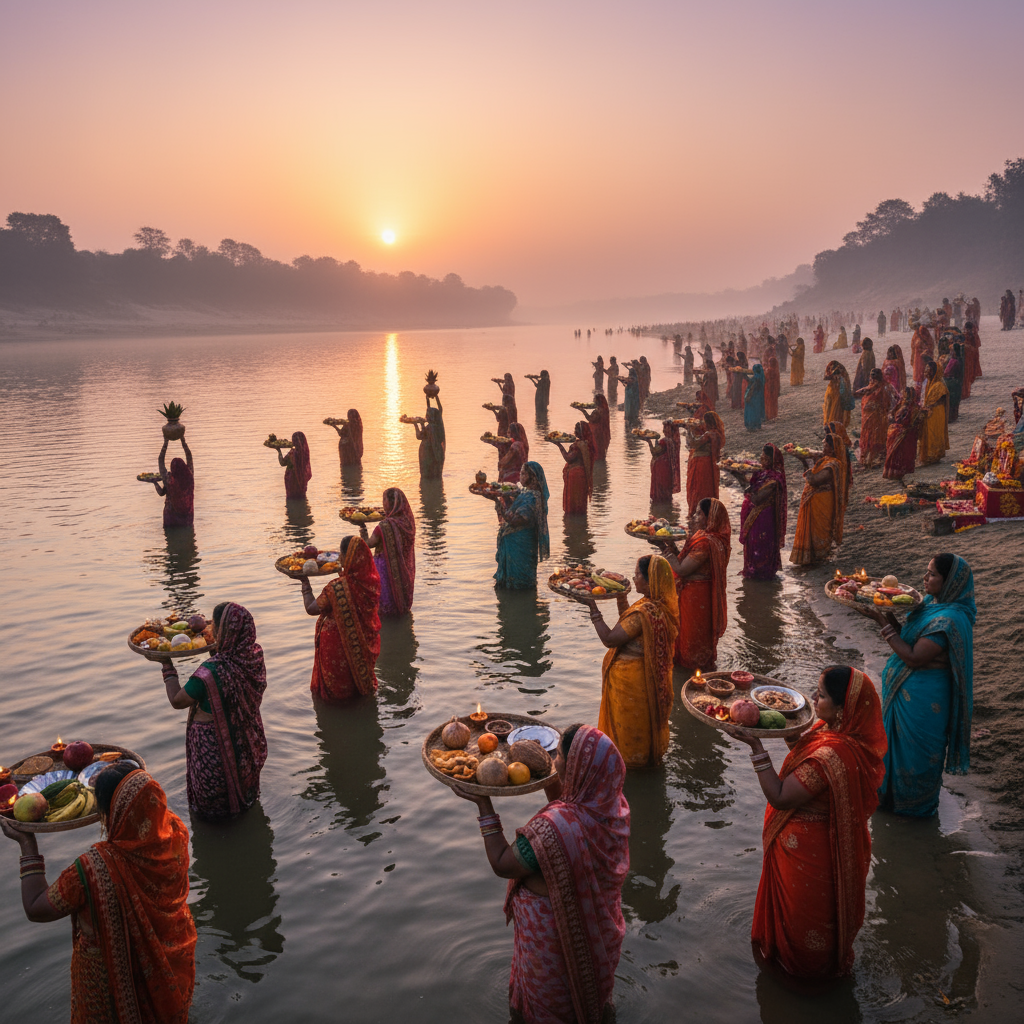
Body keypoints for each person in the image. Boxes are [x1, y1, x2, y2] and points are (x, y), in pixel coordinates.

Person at [450, 724, 628, 1023]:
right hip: (596, 935)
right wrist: (549, 774)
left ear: (576, 770)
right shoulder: (614, 809)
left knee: (550, 1009)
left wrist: (484, 804)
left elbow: (503, 864)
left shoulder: (553, 830)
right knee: (586, 1001)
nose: (555, 761)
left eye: (560, 757)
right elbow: (568, 803)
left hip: (553, 944)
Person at [2, 763, 197, 1023]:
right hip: (171, 968)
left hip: (108, 984)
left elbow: (36, 908)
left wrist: (27, 845)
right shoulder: (176, 834)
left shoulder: (94, 868)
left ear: (106, 812)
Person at [724, 667, 886, 978]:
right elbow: (810, 768)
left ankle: (804, 984)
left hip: (808, 858)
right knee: (809, 927)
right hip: (810, 849)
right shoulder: (840, 736)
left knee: (803, 930)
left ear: (843, 708)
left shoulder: (834, 753)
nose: (813, 698)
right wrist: (792, 737)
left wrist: (756, 748)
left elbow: (781, 796)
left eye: (821, 696)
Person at [857, 554, 974, 817]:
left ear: (949, 582)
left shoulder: (949, 619)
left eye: (932, 574)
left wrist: (882, 623)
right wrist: (885, 614)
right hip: (904, 695)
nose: (925, 578)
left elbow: (913, 656)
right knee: (892, 749)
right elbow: (908, 639)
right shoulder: (931, 604)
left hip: (924, 702)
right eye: (927, 571)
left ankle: (915, 814)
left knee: (917, 756)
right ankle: (889, 804)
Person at [158, 602, 268, 818]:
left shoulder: (210, 672)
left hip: (213, 745)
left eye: (215, 626)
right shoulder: (254, 657)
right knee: (241, 797)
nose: (212, 629)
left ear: (223, 631)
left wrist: (166, 665)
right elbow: (227, 666)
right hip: (243, 740)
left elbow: (177, 701)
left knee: (213, 809)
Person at [586, 556, 678, 767]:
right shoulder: (658, 605)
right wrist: (621, 599)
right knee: (641, 729)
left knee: (627, 733)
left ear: (650, 580)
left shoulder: (644, 611)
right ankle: (643, 763)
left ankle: (627, 767)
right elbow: (628, 627)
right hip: (644, 681)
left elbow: (610, 639)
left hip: (631, 685)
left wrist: (593, 608)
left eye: (637, 575)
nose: (634, 579)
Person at [299, 536, 381, 701]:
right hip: (362, 646)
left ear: (347, 557)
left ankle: (336, 711)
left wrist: (305, 582)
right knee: (356, 688)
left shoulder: (336, 588)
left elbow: (311, 608)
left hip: (336, 646)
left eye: (342, 555)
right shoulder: (372, 584)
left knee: (337, 694)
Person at [660, 497, 731, 670]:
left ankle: (693, 669)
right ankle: (695, 669)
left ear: (710, 518)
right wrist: (670, 544)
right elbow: (682, 559)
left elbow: (682, 569)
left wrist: (662, 547)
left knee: (692, 632)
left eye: (699, 514)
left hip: (697, 595)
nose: (694, 517)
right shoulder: (704, 537)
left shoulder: (706, 543)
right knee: (690, 632)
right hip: (696, 593)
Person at [490, 461, 550, 590]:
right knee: (511, 587)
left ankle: (521, 600)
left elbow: (514, 520)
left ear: (532, 476)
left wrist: (496, 501)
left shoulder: (532, 498)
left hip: (521, 545)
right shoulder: (526, 493)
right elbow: (513, 509)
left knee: (520, 585)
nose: (520, 477)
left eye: (523, 474)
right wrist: (505, 497)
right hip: (515, 544)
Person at [789, 433, 847, 565]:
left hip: (823, 500)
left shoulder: (833, 465)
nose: (823, 448)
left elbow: (814, 481)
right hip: (815, 499)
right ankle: (812, 557)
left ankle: (820, 557)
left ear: (832, 448)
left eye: (825, 445)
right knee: (813, 528)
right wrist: (803, 459)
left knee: (820, 528)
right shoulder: (825, 460)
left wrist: (806, 466)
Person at [361, 487, 416, 615]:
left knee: (384, 606)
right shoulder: (408, 524)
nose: (383, 503)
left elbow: (368, 544)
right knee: (397, 604)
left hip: (384, 569)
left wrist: (362, 527)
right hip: (403, 571)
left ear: (391, 503)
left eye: (384, 500)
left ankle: (386, 623)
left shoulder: (384, 526)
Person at [739, 444, 787, 579]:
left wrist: (742, 481)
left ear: (771, 460)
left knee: (760, 543)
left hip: (764, 517)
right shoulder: (761, 474)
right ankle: (753, 572)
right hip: (755, 515)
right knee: (752, 542)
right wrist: (738, 475)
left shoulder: (774, 480)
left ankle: (762, 573)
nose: (761, 458)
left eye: (764, 457)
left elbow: (757, 499)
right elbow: (750, 487)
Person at [684, 410, 723, 514]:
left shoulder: (709, 434)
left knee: (698, 488)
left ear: (708, 422)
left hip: (702, 464)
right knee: (707, 487)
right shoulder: (717, 434)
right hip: (708, 463)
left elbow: (693, 443)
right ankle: (708, 512)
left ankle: (697, 512)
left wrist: (688, 430)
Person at [552, 421, 593, 514]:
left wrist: (559, 445)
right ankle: (580, 520)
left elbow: (568, 458)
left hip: (575, 476)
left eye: (576, 430)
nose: (574, 432)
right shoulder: (587, 444)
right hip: (582, 475)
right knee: (580, 500)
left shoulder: (577, 446)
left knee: (573, 502)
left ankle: (572, 520)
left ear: (579, 432)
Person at [153, 436, 194, 527]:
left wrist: (165, 443)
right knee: (187, 534)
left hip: (171, 517)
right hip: (187, 518)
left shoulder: (170, 481)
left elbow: (160, 461)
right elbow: (189, 456)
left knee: (169, 534)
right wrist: (183, 441)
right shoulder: (190, 478)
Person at [855, 368, 889, 469]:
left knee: (875, 436)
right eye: (871, 374)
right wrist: (868, 389)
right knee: (867, 435)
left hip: (877, 417)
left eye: (875, 374)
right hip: (867, 417)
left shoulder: (883, 387)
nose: (873, 376)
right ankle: (865, 459)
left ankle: (872, 459)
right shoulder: (870, 387)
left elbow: (886, 403)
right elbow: (857, 393)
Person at [918, 358, 949, 465]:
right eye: (926, 370)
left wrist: (928, 407)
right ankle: (928, 455)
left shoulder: (939, 385)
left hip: (936, 413)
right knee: (929, 433)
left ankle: (934, 455)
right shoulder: (928, 384)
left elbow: (939, 401)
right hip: (930, 412)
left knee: (934, 432)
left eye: (928, 370)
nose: (926, 372)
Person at [274, 431, 311, 499]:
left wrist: (279, 451)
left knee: (291, 499)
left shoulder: (292, 453)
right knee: (302, 498)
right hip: (302, 479)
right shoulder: (305, 453)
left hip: (291, 480)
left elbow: (282, 463)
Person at [415, 397, 445, 479]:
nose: (426, 416)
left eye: (428, 415)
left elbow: (420, 436)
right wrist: (417, 424)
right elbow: (420, 436)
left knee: (426, 475)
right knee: (429, 475)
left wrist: (417, 424)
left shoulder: (432, 427)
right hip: (426, 453)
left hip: (427, 453)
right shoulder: (432, 426)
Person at [822, 361, 853, 429]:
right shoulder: (833, 381)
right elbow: (825, 377)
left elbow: (845, 389)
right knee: (830, 407)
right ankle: (830, 423)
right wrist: (832, 376)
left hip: (839, 394)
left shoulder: (842, 377)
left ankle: (836, 423)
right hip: (832, 391)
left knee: (837, 409)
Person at [646, 435, 674, 502]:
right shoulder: (670, 441)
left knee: (660, 486)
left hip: (661, 467)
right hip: (667, 467)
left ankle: (660, 502)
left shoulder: (664, 442)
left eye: (659, 446)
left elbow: (654, 452)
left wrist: (649, 442)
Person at [910, 319, 935, 391]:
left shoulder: (925, 334)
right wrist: (912, 358)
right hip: (917, 359)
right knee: (918, 376)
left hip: (924, 359)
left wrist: (925, 352)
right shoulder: (916, 335)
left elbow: (931, 347)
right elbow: (913, 347)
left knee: (924, 375)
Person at [943, 342, 964, 423]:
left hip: (953, 384)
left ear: (955, 351)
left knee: (952, 402)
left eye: (952, 350)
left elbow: (950, 372)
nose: (950, 352)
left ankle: (951, 418)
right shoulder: (953, 360)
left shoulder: (956, 361)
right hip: (952, 383)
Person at [743, 362, 766, 431]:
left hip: (753, 397)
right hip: (758, 397)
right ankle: (757, 424)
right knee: (757, 410)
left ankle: (752, 425)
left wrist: (745, 377)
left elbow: (753, 385)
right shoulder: (761, 377)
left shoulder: (756, 378)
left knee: (752, 410)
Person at [962, 321, 982, 396]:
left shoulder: (969, 335)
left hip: (970, 353)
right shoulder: (973, 334)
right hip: (972, 353)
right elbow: (978, 344)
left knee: (971, 366)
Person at [764, 346, 781, 421]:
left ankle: (769, 414)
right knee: (773, 401)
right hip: (774, 388)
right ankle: (773, 414)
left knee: (769, 401)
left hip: (769, 387)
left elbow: (766, 377)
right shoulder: (776, 370)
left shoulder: (769, 370)